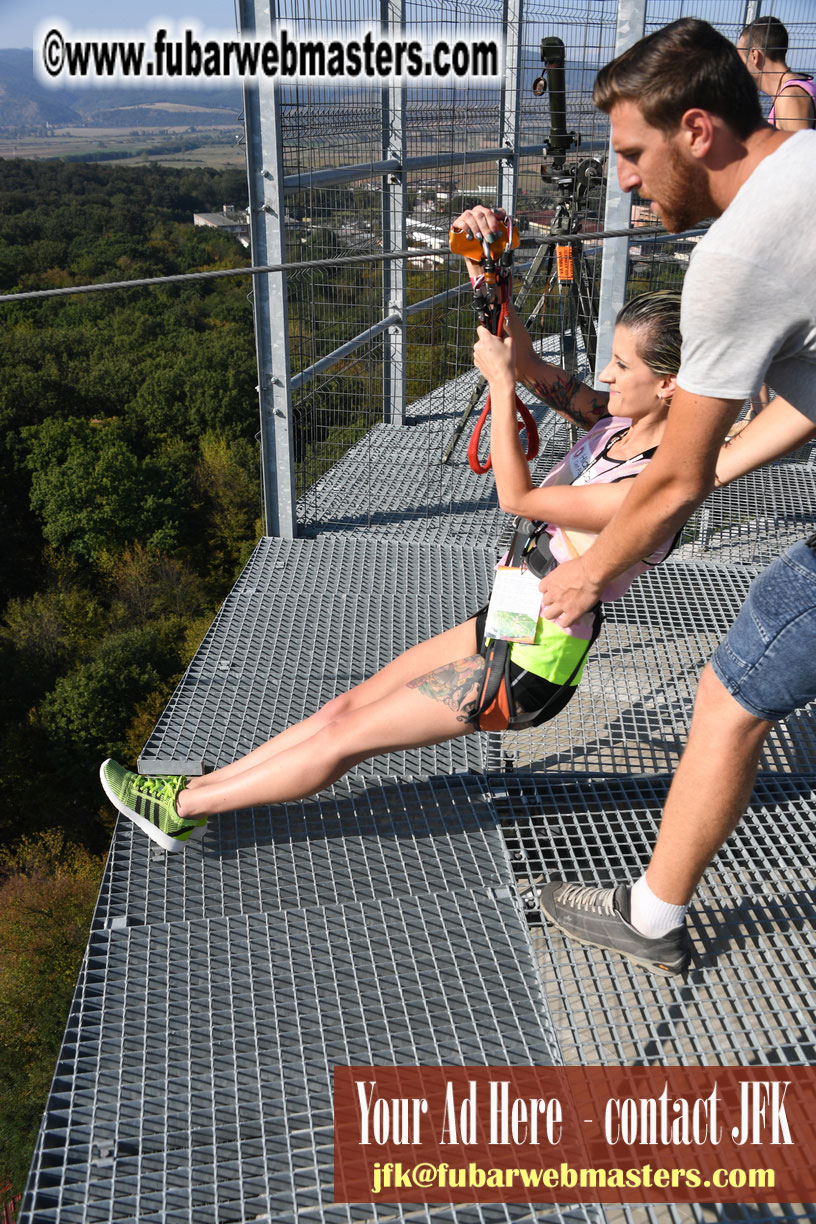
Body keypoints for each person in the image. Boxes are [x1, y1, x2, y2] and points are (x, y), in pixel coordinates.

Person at [460, 17, 816, 978]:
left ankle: (653, 918)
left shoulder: (737, 257)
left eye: (630, 153)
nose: (620, 179)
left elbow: (675, 477)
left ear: (697, 130)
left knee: (734, 692)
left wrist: (587, 583)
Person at [99, 287, 683, 853]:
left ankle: (181, 810)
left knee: (345, 738)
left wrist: (501, 387)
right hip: (509, 620)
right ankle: (203, 784)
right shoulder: (613, 422)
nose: (605, 375)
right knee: (341, 710)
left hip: (532, 663)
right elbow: (527, 360)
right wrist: (491, 278)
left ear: (668, 384)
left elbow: (518, 498)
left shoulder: (651, 490)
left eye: (620, 363)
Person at [738, 16, 816, 131]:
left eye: (739, 58)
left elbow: (801, 149)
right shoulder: (792, 89)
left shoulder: (789, 97)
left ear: (755, 56)